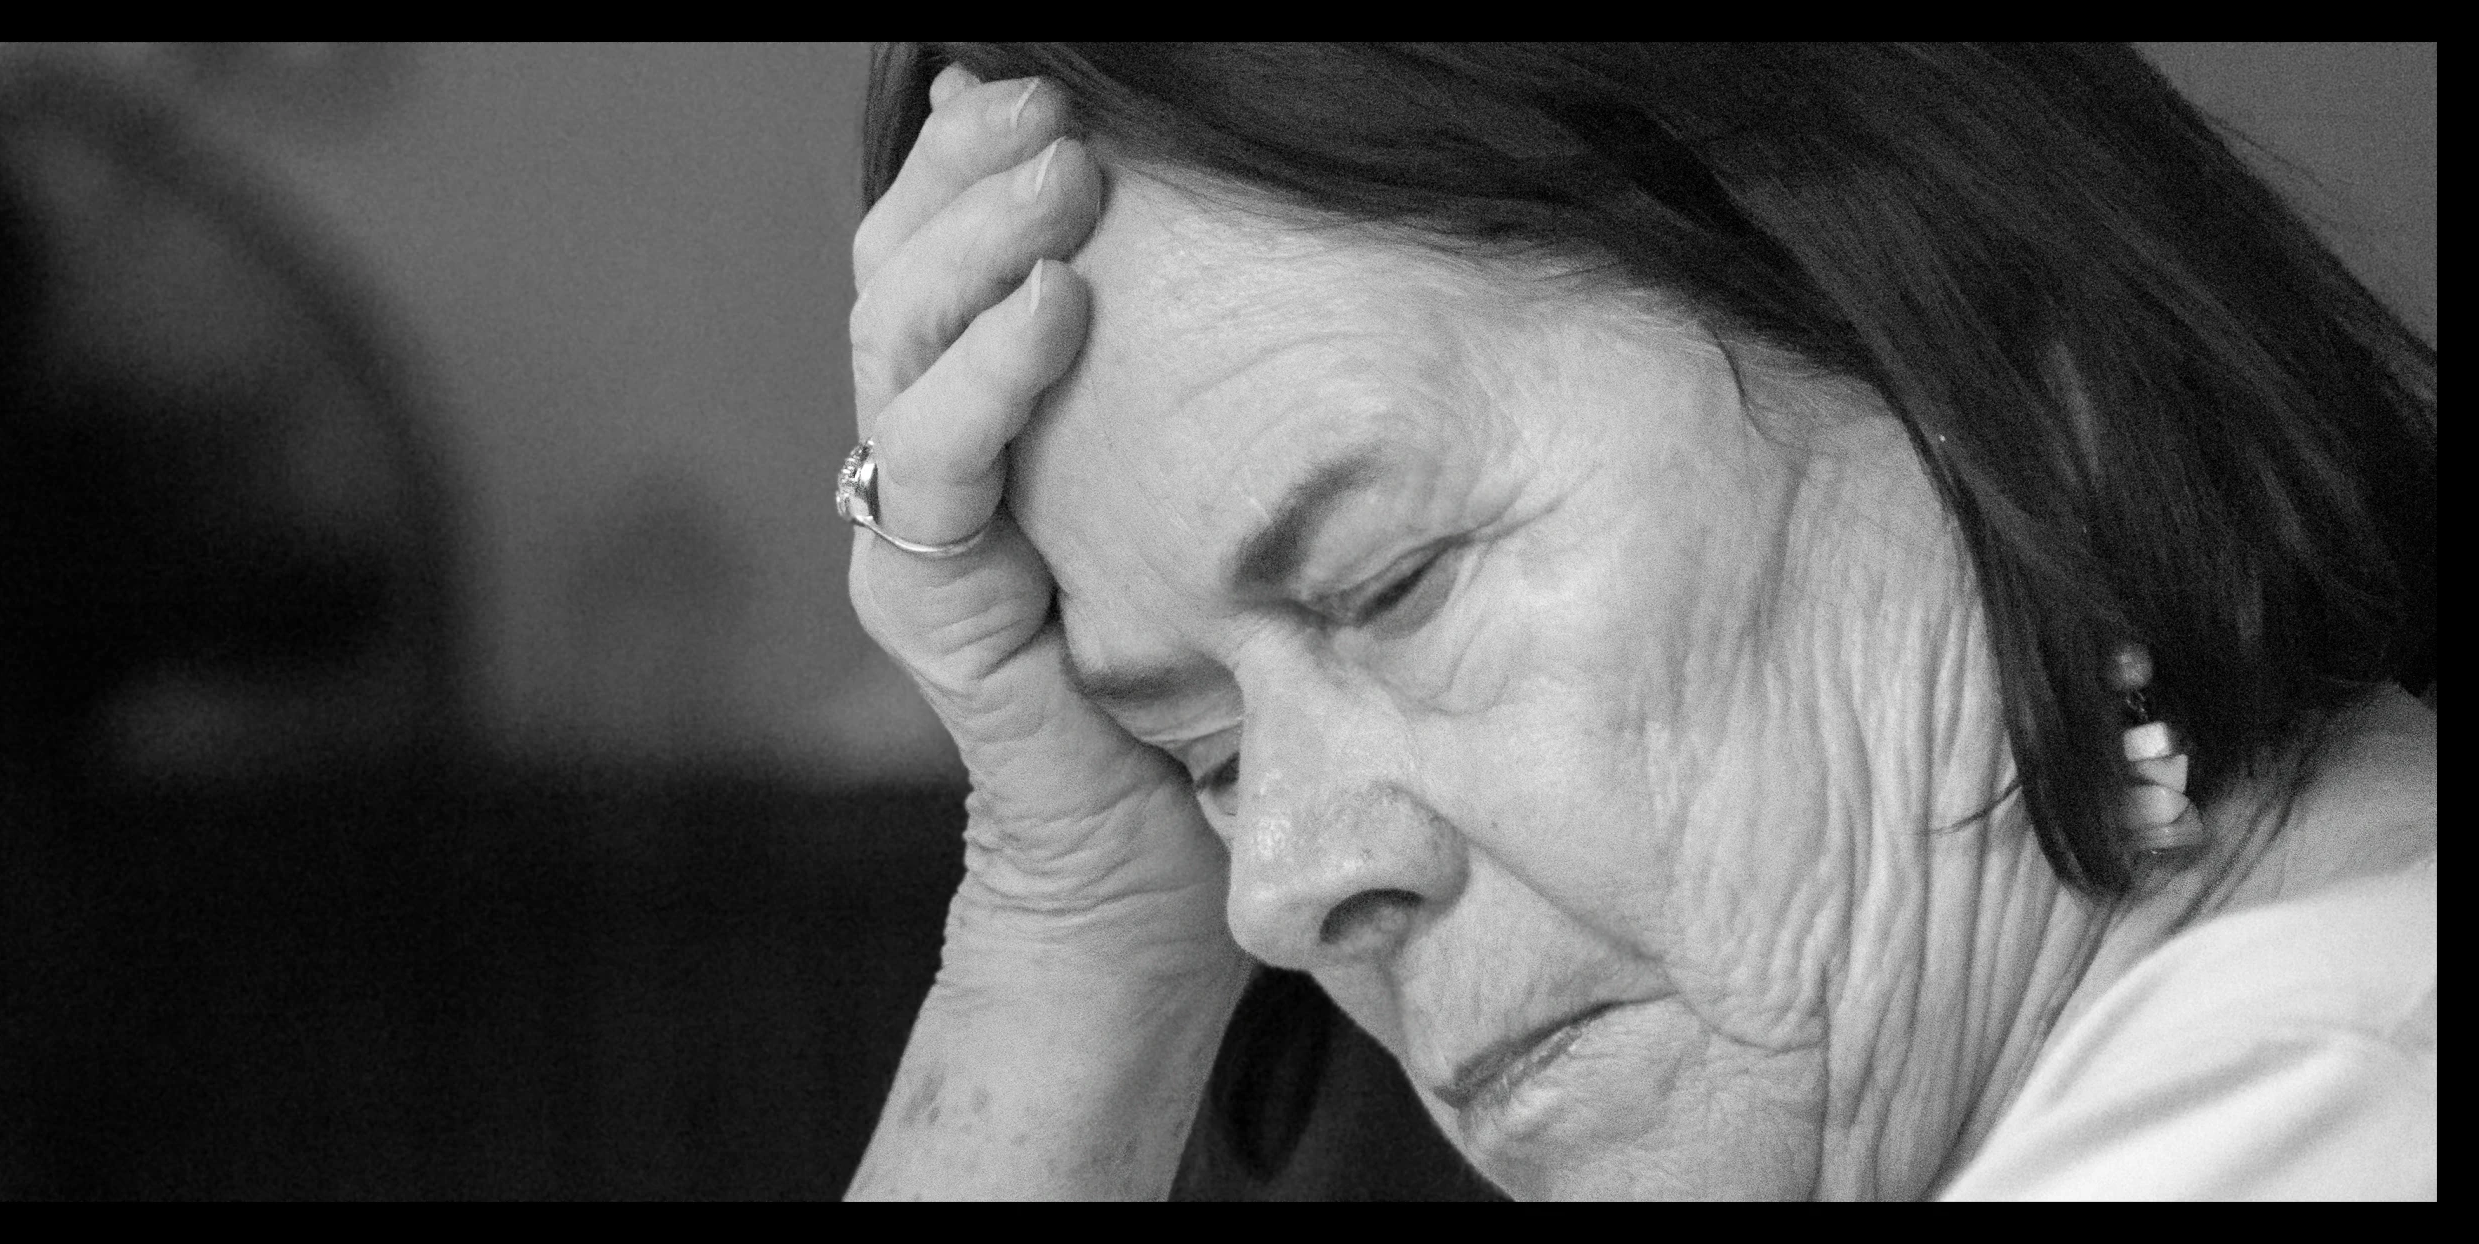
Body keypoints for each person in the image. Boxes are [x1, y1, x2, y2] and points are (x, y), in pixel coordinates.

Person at [835, 43, 2434, 1200]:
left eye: (1392, 586)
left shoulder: (2306, 1127)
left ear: (2001, 386)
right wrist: (1075, 910)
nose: (1280, 891)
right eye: (1205, 752)